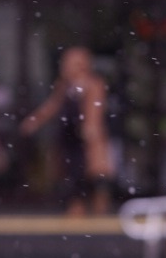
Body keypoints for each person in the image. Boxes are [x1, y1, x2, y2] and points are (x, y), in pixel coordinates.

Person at [20, 45, 115, 217]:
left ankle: (98, 207)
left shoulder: (93, 84)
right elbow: (52, 106)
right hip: (69, 137)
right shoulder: (64, 86)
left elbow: (95, 108)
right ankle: (76, 207)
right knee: (72, 174)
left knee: (95, 175)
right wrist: (34, 121)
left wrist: (90, 128)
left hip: (86, 139)